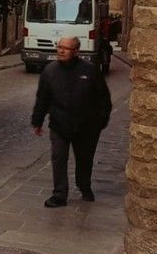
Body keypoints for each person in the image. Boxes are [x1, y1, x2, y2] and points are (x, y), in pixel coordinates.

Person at [31, 36, 112, 207]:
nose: (60, 51)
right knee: (58, 157)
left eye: (65, 48)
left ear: (76, 51)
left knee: (84, 159)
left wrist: (100, 122)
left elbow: (103, 98)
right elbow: (42, 98)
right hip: (59, 124)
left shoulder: (90, 71)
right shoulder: (50, 71)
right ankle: (59, 194)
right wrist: (37, 121)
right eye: (59, 47)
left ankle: (84, 186)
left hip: (86, 126)